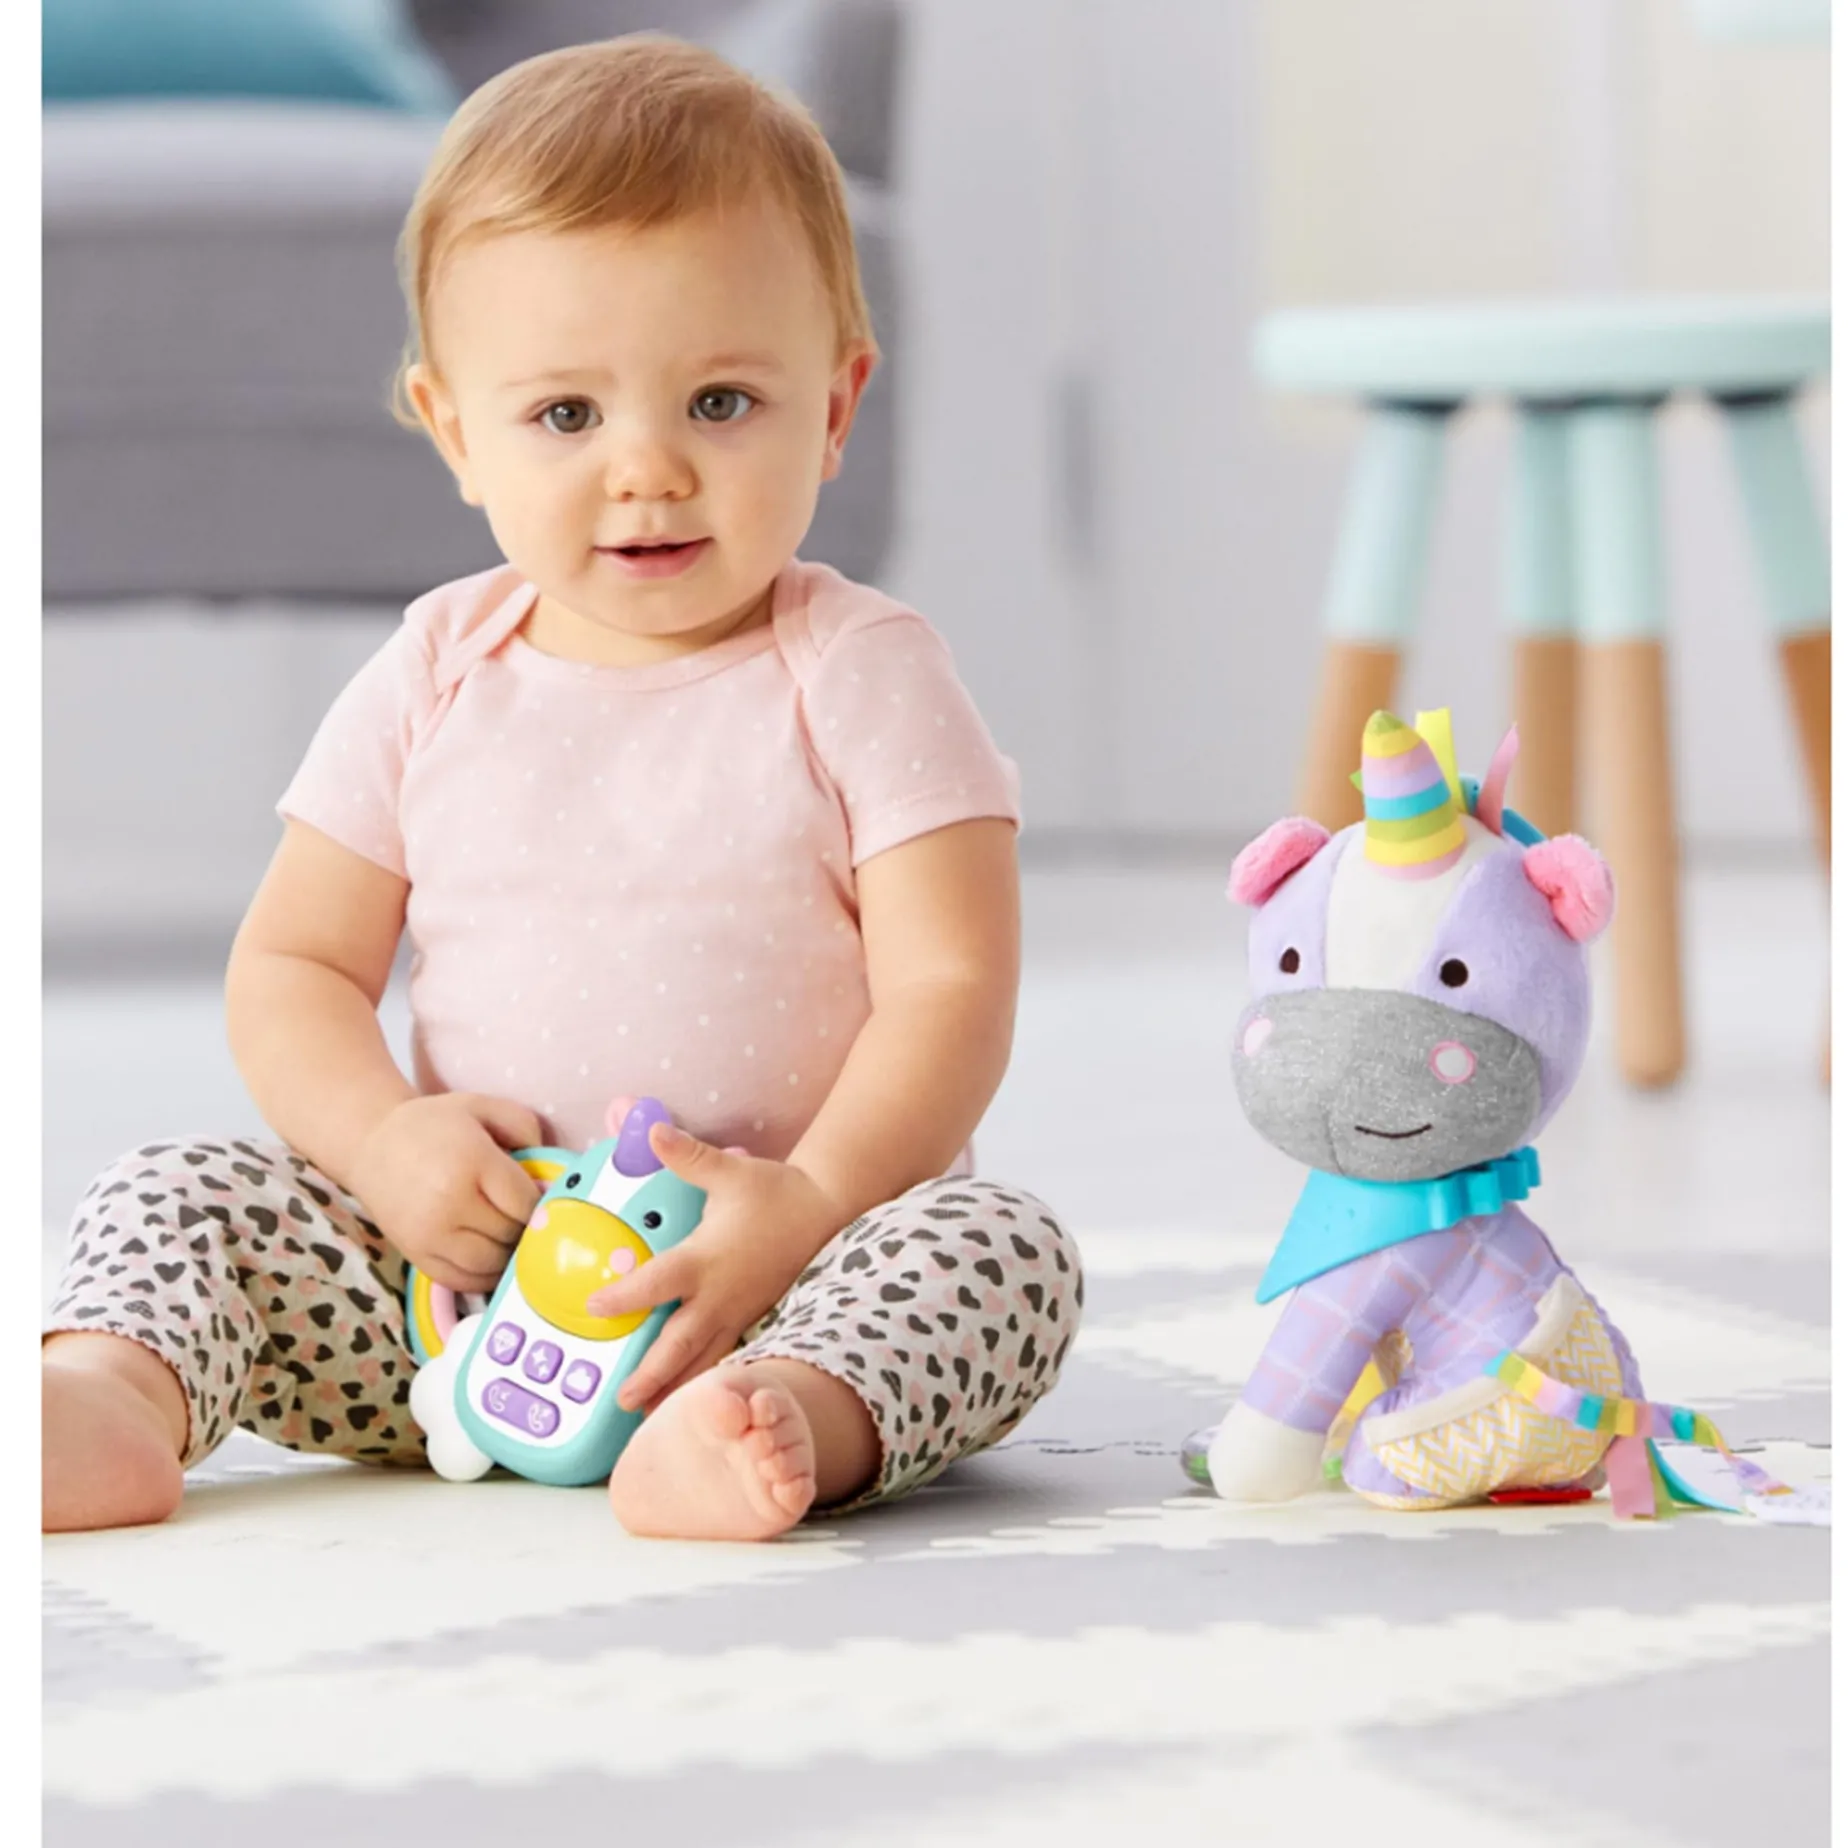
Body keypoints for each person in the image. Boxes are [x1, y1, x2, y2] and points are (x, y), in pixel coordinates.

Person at [42, 34, 1081, 1541]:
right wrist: (386, 1146)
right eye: (568, 417)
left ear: (836, 405)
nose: (646, 469)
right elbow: (295, 966)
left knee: (999, 1253)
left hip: (776, 1273)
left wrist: (810, 1202)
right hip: (448, 1298)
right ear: (456, 430)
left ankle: (781, 1420)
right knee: (179, 1187)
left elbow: (953, 990)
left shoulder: (865, 672)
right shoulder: (434, 669)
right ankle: (113, 1395)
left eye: (721, 403)